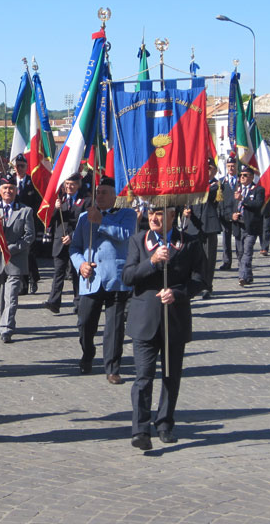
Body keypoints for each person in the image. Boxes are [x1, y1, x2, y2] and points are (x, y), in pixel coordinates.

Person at [121, 204, 205, 451]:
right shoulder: (138, 241)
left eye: (159, 213)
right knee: (143, 377)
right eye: (151, 213)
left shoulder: (189, 242)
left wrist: (178, 293)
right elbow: (127, 276)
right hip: (144, 319)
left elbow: (200, 280)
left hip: (174, 319)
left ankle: (165, 423)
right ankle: (140, 429)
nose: (153, 218)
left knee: (171, 377)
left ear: (172, 215)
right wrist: (153, 262)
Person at [70, 176, 136, 382]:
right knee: (85, 323)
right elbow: (75, 247)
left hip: (116, 278)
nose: (99, 195)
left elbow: (125, 234)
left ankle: (112, 368)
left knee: (115, 327)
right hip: (90, 280)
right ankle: (88, 353)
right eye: (97, 192)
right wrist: (80, 264)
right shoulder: (84, 217)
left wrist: (102, 221)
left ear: (115, 195)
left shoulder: (127, 214)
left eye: (104, 192)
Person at [0, 173, 35, 343]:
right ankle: (5, 321)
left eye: (11, 188)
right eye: (5, 188)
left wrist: (11, 248)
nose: (8, 191)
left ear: (16, 190)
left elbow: (29, 236)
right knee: (0, 297)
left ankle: (6, 328)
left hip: (15, 260)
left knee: (11, 297)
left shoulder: (25, 211)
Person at [43, 173, 90, 314]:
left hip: (77, 242)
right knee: (58, 272)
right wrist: (55, 209)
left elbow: (86, 223)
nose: (69, 186)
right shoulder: (59, 199)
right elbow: (48, 221)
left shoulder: (85, 201)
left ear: (78, 185)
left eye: (73, 184)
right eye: (67, 184)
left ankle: (79, 302)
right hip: (60, 242)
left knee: (77, 274)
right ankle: (54, 301)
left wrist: (72, 236)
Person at [184, 157, 221, 299]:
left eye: (210, 168)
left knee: (208, 258)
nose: (207, 171)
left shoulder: (217, 185)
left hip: (208, 226)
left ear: (215, 171)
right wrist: (186, 210)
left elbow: (209, 196)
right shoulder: (195, 184)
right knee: (192, 257)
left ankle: (207, 285)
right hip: (194, 225)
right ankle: (194, 284)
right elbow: (188, 200)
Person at [232, 165, 265, 287]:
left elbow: (257, 204)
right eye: (241, 175)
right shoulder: (237, 190)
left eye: (245, 175)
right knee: (240, 253)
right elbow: (230, 206)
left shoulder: (258, 190)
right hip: (238, 226)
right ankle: (249, 275)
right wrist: (232, 215)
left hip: (250, 226)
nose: (242, 177)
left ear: (251, 177)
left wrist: (243, 199)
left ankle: (242, 276)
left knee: (247, 252)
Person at [13, 153, 41, 294]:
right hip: (14, 223)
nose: (19, 168)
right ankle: (23, 285)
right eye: (17, 166)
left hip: (29, 221)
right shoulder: (9, 181)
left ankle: (33, 278)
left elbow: (37, 203)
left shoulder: (32, 182)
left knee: (29, 253)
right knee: (19, 252)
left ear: (27, 167)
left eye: (22, 166)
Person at [218, 155, 239, 271]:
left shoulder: (241, 181)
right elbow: (219, 200)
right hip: (225, 214)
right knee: (226, 240)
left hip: (237, 215)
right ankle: (227, 261)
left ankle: (240, 260)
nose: (231, 168)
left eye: (233, 166)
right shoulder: (221, 182)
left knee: (238, 240)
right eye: (229, 166)